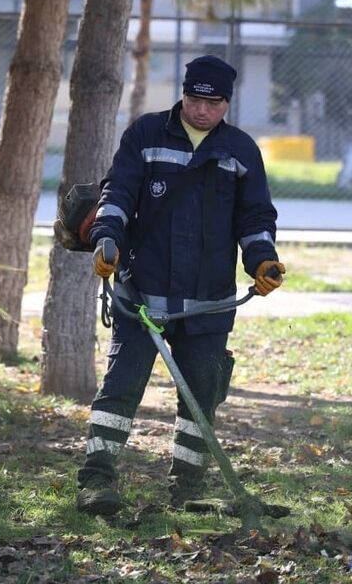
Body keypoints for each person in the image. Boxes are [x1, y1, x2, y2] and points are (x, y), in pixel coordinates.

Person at [74, 54, 285, 516]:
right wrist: (106, 238)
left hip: (207, 304)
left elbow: (255, 217)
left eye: (213, 103)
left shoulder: (241, 151)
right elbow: (119, 194)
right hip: (141, 294)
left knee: (201, 395)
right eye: (194, 99)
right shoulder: (146, 135)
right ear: (184, 95)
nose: (202, 110)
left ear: (227, 104)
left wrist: (263, 260)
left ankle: (187, 489)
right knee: (121, 386)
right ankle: (96, 481)